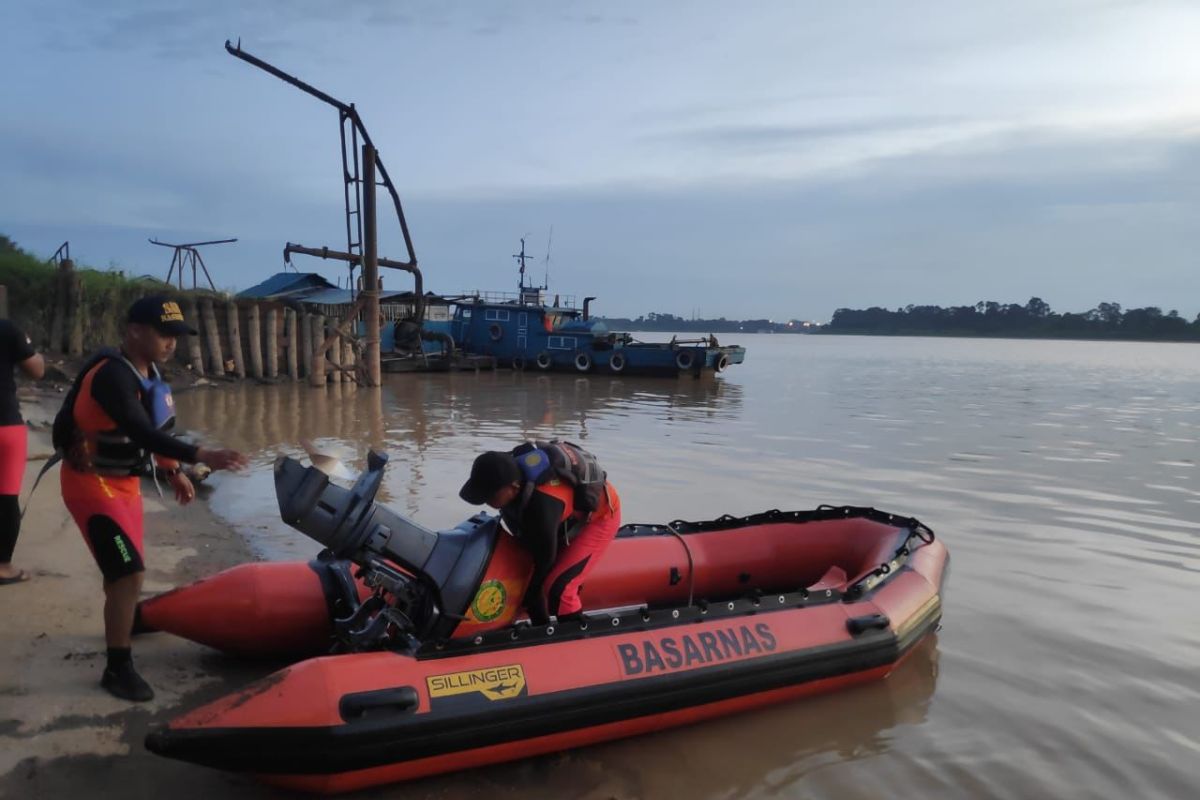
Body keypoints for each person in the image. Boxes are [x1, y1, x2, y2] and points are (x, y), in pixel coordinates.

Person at [56, 296, 247, 701]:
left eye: (177, 335)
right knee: (128, 573)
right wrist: (200, 455)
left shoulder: (151, 373)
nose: (172, 342)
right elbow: (139, 431)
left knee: (124, 570)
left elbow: (156, 426)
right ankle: (117, 667)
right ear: (134, 331)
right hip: (91, 485)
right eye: (165, 333)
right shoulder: (112, 376)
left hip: (124, 486)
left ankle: (129, 621)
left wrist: (173, 471)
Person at [459, 440, 620, 625]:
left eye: (490, 496)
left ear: (513, 487)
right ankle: (541, 627)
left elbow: (545, 560)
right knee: (531, 582)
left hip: (601, 515)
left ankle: (574, 638)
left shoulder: (542, 504)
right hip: (556, 518)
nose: (486, 501)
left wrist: (531, 591)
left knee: (559, 589)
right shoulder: (508, 473)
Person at [1, 317, 44, 585]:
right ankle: (2, 567)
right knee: (5, 498)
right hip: (4, 425)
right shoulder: (7, 329)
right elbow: (36, 370)